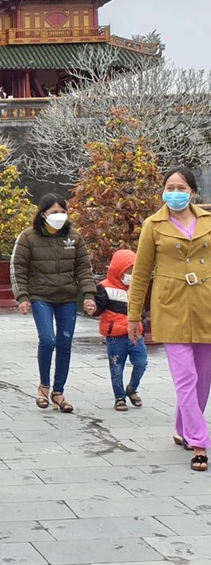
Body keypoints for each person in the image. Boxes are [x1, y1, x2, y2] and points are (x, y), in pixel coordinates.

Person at [128, 166, 211, 472]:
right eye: (170, 188)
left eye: (181, 188)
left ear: (192, 192)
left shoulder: (208, 221)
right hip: (171, 306)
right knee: (185, 377)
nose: (175, 193)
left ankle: (183, 427)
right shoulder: (154, 225)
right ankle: (199, 442)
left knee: (203, 378)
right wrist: (134, 315)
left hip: (205, 305)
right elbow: (140, 274)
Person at [11, 194, 95, 413]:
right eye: (54, 212)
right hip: (41, 296)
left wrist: (88, 295)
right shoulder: (28, 237)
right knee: (48, 340)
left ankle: (58, 392)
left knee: (65, 343)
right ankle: (43, 387)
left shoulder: (74, 237)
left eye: (62, 212)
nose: (59, 216)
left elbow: (84, 268)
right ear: (43, 214)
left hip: (67, 297)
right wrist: (22, 297)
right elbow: (18, 268)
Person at [85, 249, 147, 412]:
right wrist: (92, 309)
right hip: (115, 336)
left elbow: (142, 310)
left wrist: (143, 327)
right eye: (128, 271)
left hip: (135, 334)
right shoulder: (105, 288)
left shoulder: (136, 288)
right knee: (116, 367)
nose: (131, 275)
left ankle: (132, 388)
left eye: (133, 271)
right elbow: (98, 308)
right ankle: (119, 396)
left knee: (141, 363)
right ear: (119, 270)